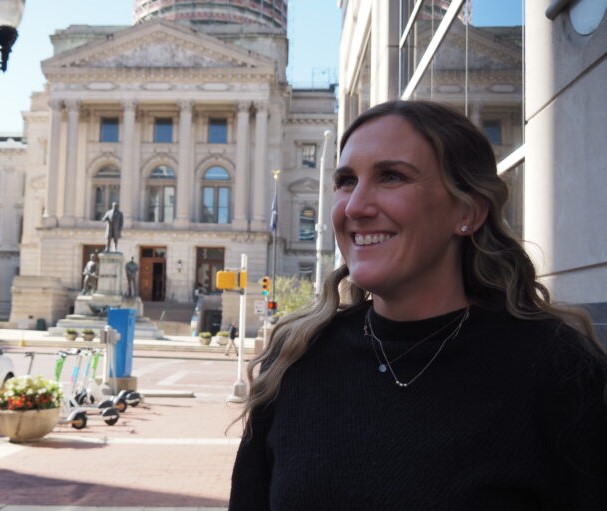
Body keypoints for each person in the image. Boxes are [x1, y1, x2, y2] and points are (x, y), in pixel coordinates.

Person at [228, 100, 607, 510]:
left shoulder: (560, 369)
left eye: (391, 176)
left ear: (467, 211)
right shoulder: (295, 360)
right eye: (346, 180)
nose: (355, 206)